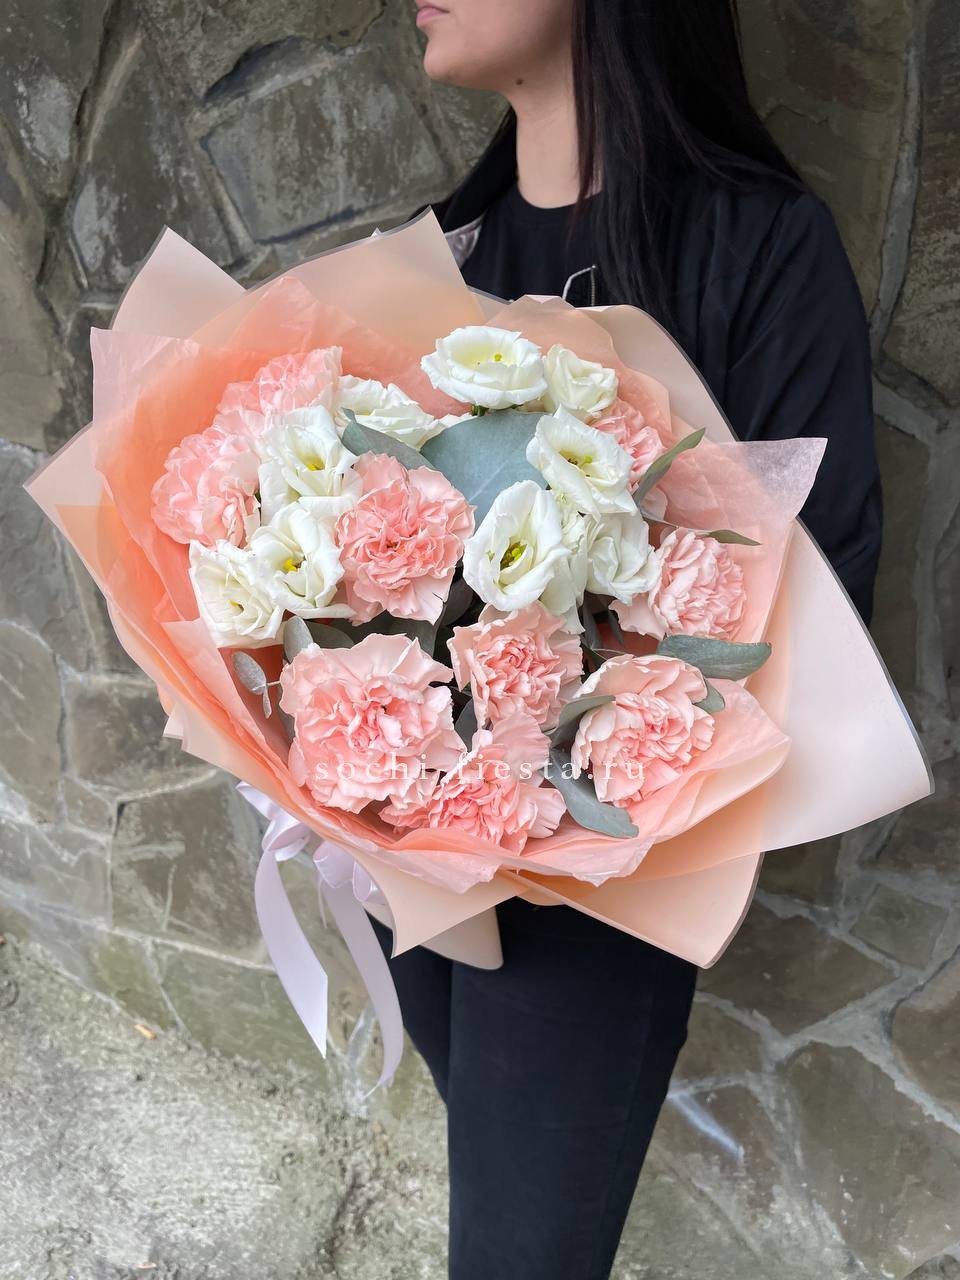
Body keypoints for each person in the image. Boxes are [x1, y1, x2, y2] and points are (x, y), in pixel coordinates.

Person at [371, 3, 884, 1277]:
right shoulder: (439, 257)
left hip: (609, 885)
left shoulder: (757, 244)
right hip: (407, 844)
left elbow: (824, 588)